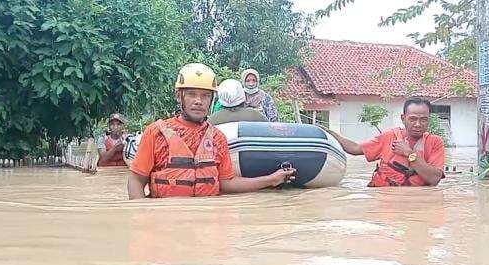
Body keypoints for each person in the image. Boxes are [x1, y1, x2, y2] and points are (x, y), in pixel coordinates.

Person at [127, 63, 295, 199]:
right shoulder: (155, 133)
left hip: (207, 224)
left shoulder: (217, 137)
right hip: (167, 223)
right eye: (192, 94)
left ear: (212, 100)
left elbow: (227, 183)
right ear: (179, 96)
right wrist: (143, 222)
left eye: (205, 96)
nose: (198, 101)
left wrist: (271, 180)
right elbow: (136, 180)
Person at [324, 97, 445, 187]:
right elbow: (355, 149)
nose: (418, 124)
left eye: (423, 120)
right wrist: (330, 133)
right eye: (413, 119)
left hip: (417, 204)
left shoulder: (435, 142)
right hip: (385, 202)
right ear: (403, 119)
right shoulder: (388, 137)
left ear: (429, 119)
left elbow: (434, 179)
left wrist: (409, 153)